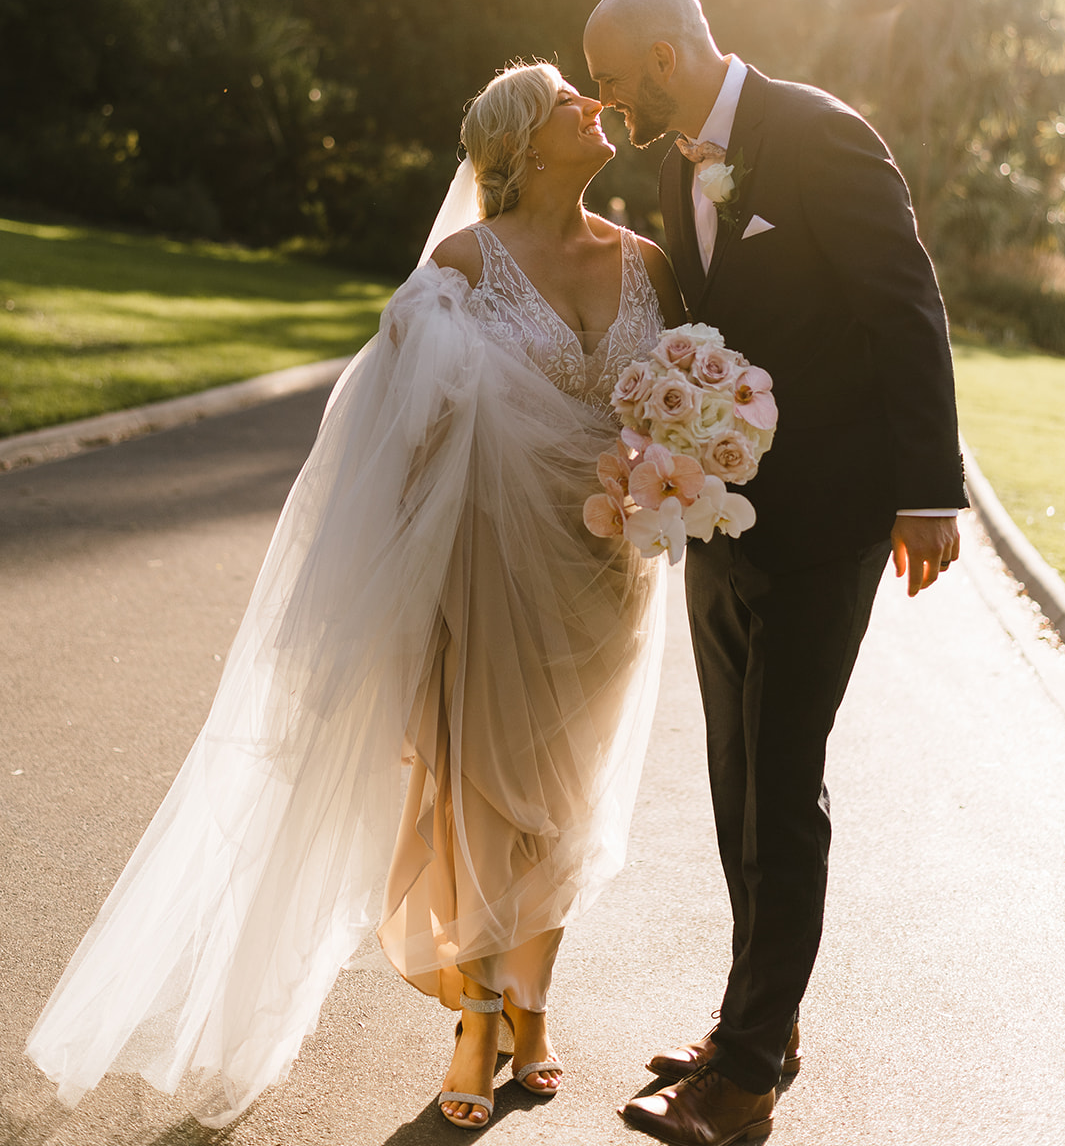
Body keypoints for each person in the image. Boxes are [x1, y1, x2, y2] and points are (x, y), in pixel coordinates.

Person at [26, 61, 685, 1133]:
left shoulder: (651, 263)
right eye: (565, 97)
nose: (589, 103)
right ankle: (474, 1021)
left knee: (565, 798)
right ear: (520, 146)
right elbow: (395, 430)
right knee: (476, 794)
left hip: (605, 577)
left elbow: (681, 397)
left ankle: (532, 1006)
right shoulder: (459, 266)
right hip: (477, 570)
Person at [583, 0, 966, 1146]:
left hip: (831, 516)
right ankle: (760, 1017)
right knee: (733, 785)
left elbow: (904, 301)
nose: (604, 106)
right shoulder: (670, 165)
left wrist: (926, 490)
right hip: (723, 521)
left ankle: (743, 1079)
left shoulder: (818, 132)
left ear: (660, 55)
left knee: (780, 789)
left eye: (607, 80)